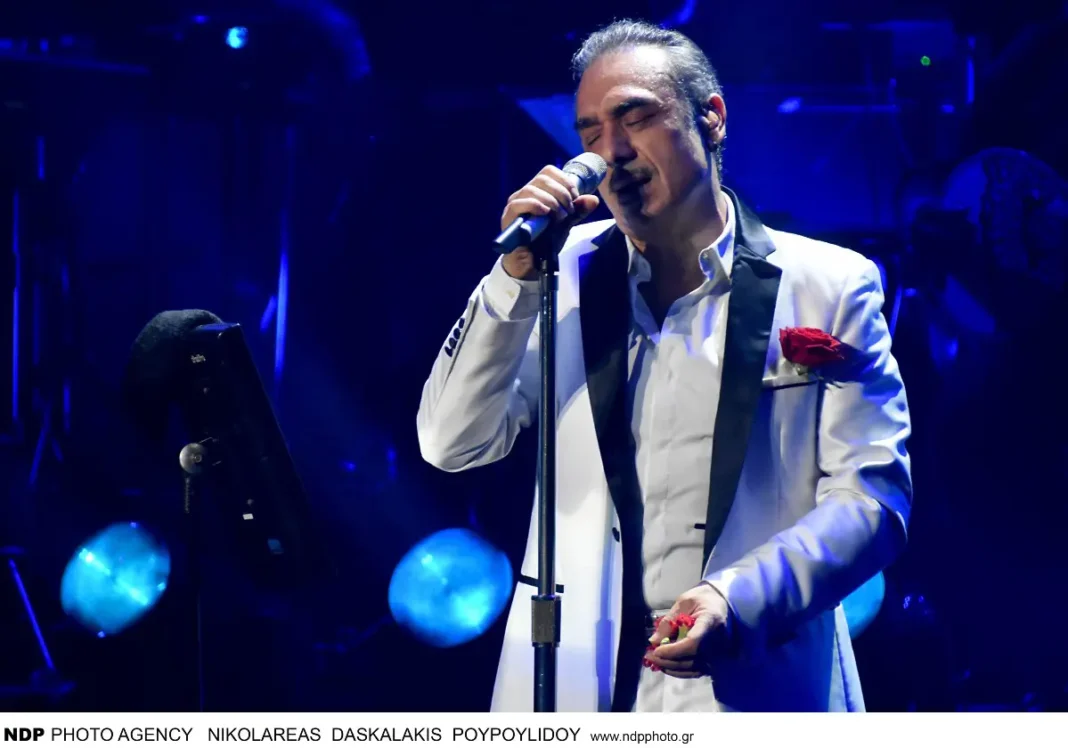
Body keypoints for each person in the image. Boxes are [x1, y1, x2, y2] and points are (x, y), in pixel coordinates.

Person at [416, 19, 911, 712]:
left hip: (750, 681)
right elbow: (450, 442)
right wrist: (511, 281)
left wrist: (736, 599)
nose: (612, 151)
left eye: (635, 117)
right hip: (573, 679)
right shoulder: (555, 276)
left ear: (712, 118)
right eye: (591, 132)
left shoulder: (828, 283)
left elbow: (872, 500)